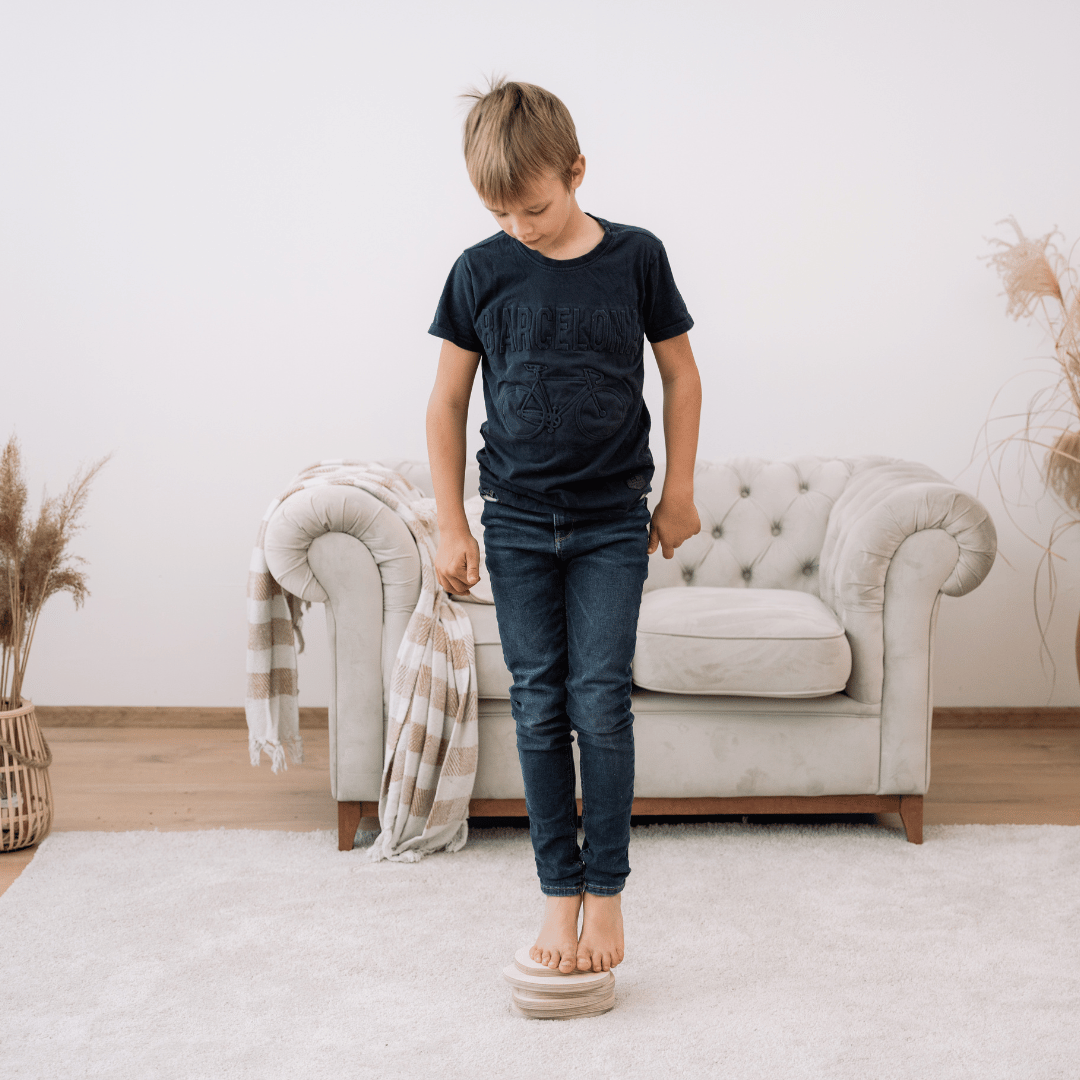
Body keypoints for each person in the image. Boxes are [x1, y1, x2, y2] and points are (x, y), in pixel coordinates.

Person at [426, 78, 702, 975]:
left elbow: (682, 377)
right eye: (500, 211)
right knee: (539, 708)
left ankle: (608, 896)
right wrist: (450, 521)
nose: (521, 227)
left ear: (577, 171)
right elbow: (447, 403)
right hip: (512, 521)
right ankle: (558, 895)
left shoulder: (638, 258)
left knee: (600, 704)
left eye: (534, 207)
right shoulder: (479, 270)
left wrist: (680, 492)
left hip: (611, 522)